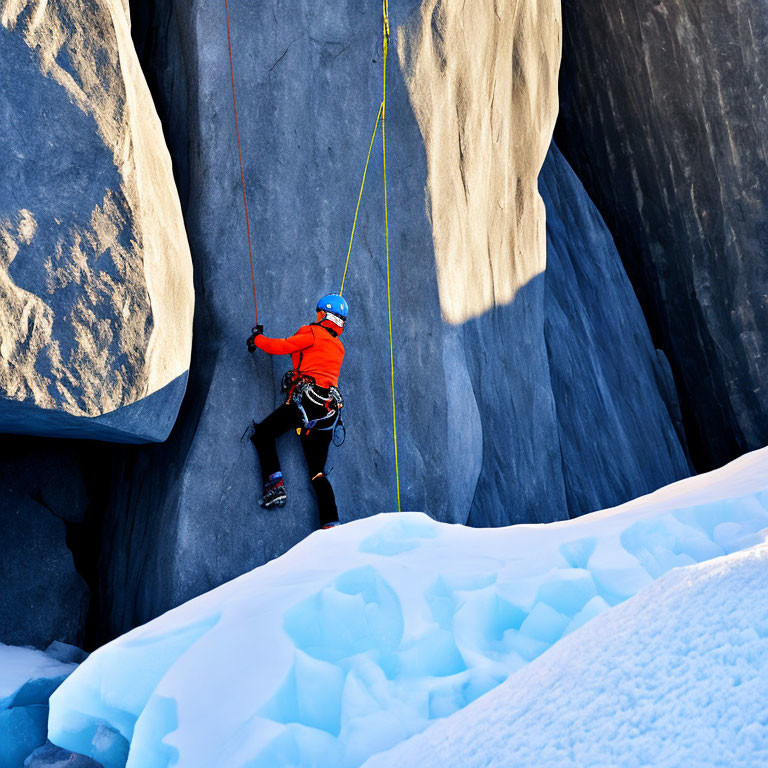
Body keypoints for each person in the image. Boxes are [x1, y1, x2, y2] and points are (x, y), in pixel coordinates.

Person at [246, 294, 348, 529]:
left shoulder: (312, 333)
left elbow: (280, 346)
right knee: (318, 473)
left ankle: (275, 487)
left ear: (323, 314)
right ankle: (330, 522)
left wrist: (257, 338)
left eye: (318, 313)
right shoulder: (339, 347)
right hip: (328, 412)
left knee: (263, 434)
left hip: (306, 402)